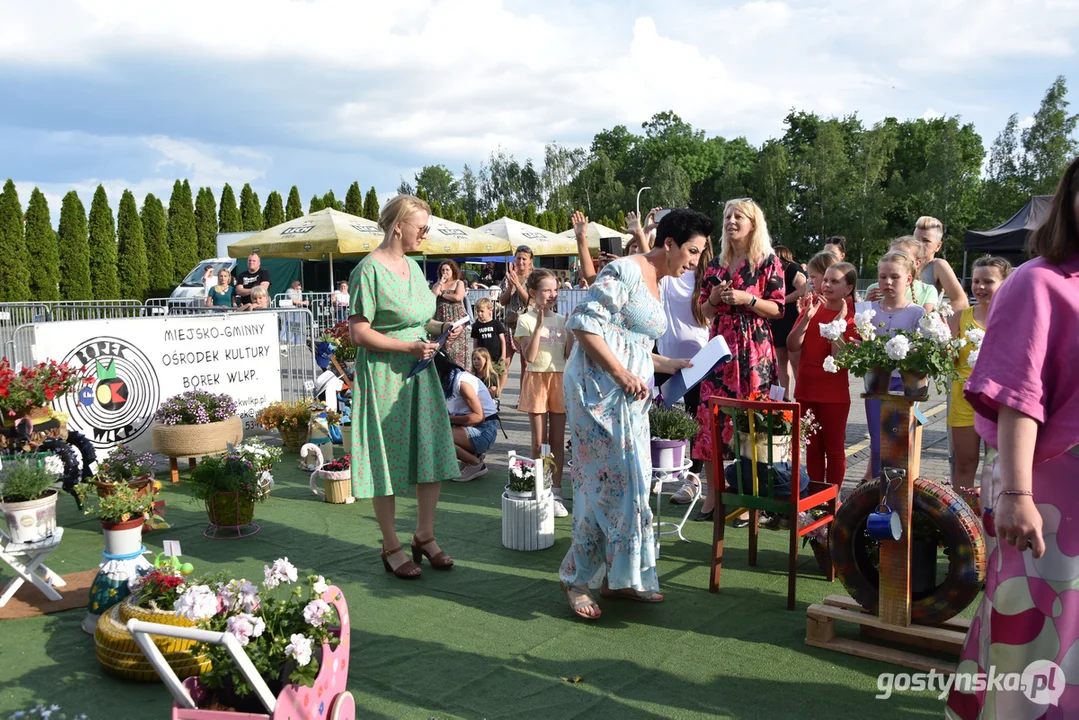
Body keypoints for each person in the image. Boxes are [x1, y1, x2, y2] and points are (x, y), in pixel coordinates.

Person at [946, 156, 1079, 717]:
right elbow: (1017, 396)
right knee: (1036, 639)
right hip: (1051, 495)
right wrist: (1017, 496)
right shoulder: (1037, 281)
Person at [559, 209, 708, 620]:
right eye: (692, 251)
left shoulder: (658, 280)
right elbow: (584, 326)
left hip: (629, 398)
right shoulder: (624, 271)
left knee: (636, 484)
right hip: (597, 395)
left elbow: (631, 344)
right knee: (607, 486)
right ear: (670, 243)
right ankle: (575, 579)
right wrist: (621, 373)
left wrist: (669, 364)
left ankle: (620, 579)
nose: (695, 261)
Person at [348, 194, 463, 580]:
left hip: (420, 372)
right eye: (422, 228)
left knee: (428, 452)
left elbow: (417, 319)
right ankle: (391, 544)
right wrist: (409, 346)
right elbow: (358, 333)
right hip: (384, 376)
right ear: (399, 226)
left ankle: (424, 535)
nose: (425, 235)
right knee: (386, 459)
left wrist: (439, 330)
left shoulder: (415, 268)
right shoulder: (368, 270)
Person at [692, 199, 786, 523]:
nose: (731, 221)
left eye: (738, 216)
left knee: (752, 425)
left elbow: (779, 309)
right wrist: (715, 299)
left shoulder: (767, 262)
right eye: (728, 216)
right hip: (720, 350)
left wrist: (749, 299)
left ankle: (753, 501)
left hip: (754, 350)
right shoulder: (716, 264)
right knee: (710, 420)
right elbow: (704, 311)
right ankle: (713, 496)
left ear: (752, 223)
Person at [787, 262, 858, 487]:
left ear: (848, 289)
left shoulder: (853, 316)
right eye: (825, 279)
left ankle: (832, 500)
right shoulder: (812, 306)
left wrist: (839, 322)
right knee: (812, 448)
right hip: (807, 389)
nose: (826, 285)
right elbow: (792, 345)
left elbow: (838, 358)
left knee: (834, 449)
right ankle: (816, 499)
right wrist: (807, 318)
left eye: (834, 281)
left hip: (834, 393)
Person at [657, 237, 714, 506]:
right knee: (657, 410)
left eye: (696, 249)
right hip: (664, 355)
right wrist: (642, 232)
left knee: (695, 418)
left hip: (697, 357)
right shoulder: (669, 272)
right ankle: (659, 470)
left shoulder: (706, 276)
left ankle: (693, 479)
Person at [948, 255, 1012, 490]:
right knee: (964, 464)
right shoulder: (960, 317)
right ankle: (962, 521)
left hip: (998, 402)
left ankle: (994, 519)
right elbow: (948, 359)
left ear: (1004, 284)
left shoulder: (1012, 319)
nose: (980, 287)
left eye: (988, 281)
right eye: (976, 281)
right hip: (963, 400)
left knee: (995, 466)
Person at [864, 250, 927, 480]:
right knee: (878, 443)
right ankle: (877, 496)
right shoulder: (868, 309)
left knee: (900, 444)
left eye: (894, 277)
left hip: (904, 386)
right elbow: (861, 346)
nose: (887, 282)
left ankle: (899, 494)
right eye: (882, 276)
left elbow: (923, 353)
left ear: (908, 279)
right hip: (876, 385)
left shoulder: (916, 312)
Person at [515, 269, 572, 518]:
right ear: (533, 293)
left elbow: (568, 354)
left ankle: (556, 491)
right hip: (536, 378)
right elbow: (529, 356)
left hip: (559, 378)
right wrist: (538, 326)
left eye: (555, 290)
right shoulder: (525, 320)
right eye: (547, 290)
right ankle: (541, 488)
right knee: (540, 441)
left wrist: (571, 331)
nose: (552, 295)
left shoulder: (561, 320)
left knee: (558, 439)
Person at [434, 352, 499, 482]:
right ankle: (472, 456)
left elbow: (478, 417)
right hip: (474, 428)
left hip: (485, 429)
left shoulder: (461, 381)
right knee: (433, 431)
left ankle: (475, 463)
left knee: (437, 436)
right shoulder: (447, 382)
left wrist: (446, 419)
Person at [769, 245, 806, 400]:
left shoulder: (793, 268)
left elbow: (803, 289)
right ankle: (785, 397)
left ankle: (801, 396)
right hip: (778, 319)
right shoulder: (775, 272)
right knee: (781, 359)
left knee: (794, 359)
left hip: (791, 317)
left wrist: (782, 300)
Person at [864, 236, 937, 311]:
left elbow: (926, 320)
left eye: (903, 257)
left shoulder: (927, 291)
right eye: (891, 255)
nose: (894, 260)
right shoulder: (874, 289)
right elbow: (861, 319)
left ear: (917, 263)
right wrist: (866, 303)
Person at [915, 215, 968, 311]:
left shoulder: (938, 266)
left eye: (926, 241)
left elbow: (961, 302)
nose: (919, 244)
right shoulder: (903, 264)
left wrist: (930, 316)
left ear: (938, 246)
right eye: (916, 239)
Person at [499, 245, 534, 377]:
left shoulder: (534, 278)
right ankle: (496, 396)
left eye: (524, 259)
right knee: (504, 363)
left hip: (527, 326)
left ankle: (523, 397)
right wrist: (510, 287)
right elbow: (502, 301)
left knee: (525, 363)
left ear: (530, 260)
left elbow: (530, 301)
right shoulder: (509, 277)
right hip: (510, 324)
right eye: (518, 258)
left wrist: (518, 285)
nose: (521, 262)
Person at [431, 260, 470, 369]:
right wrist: (440, 283)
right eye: (443, 270)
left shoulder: (458, 283)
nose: (445, 272)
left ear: (453, 271)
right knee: (440, 351)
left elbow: (458, 297)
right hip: (440, 319)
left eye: (447, 270)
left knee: (456, 352)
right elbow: (432, 296)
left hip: (455, 319)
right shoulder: (437, 284)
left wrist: (443, 294)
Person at [470, 297, 508, 394]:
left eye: (482, 311)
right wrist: (476, 355)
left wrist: (503, 355)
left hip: (496, 356)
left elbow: (502, 340)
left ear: (490, 310)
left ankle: (498, 392)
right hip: (484, 358)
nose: (479, 314)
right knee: (486, 375)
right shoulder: (476, 326)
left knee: (501, 373)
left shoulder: (496, 323)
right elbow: (475, 341)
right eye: (477, 311)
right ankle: (486, 393)